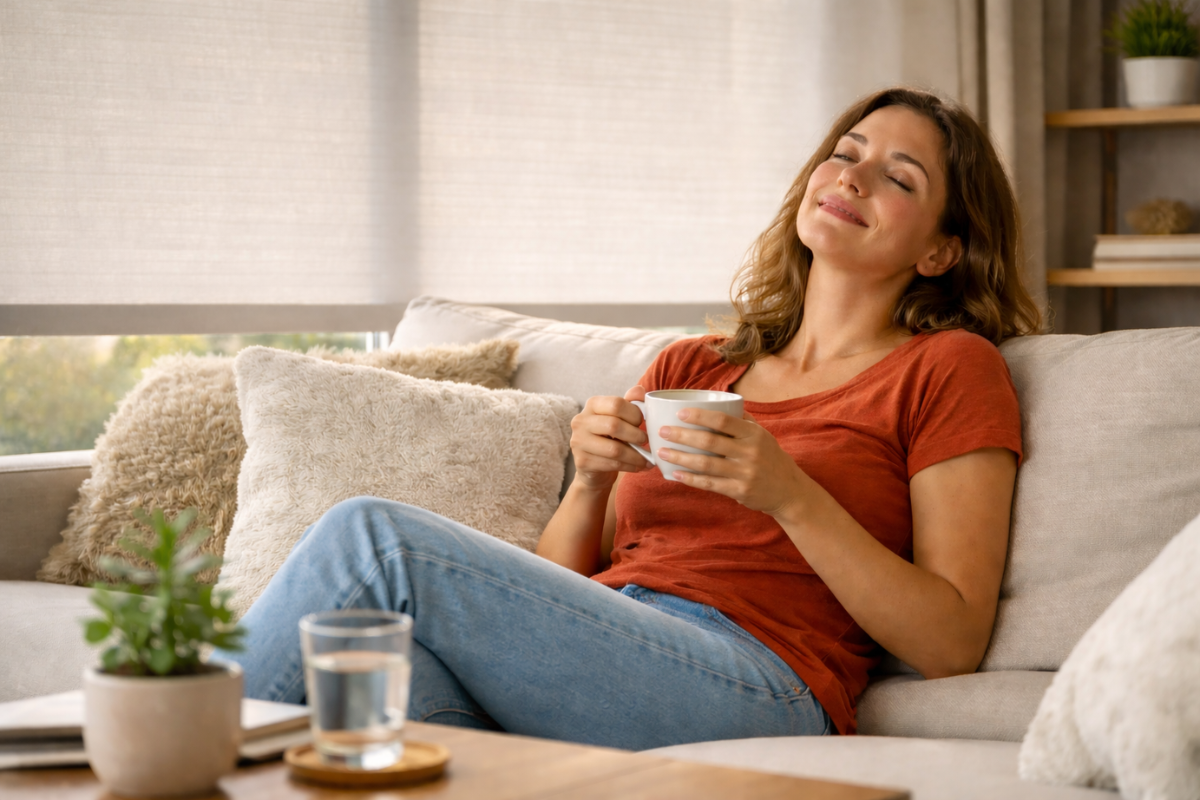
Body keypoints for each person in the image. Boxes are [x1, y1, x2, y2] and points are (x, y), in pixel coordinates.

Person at [226, 87, 1042, 749]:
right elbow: (571, 575)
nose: (854, 178)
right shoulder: (695, 367)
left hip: (757, 681)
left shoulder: (947, 368)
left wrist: (791, 495)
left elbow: (951, 642)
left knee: (376, 540)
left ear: (940, 252)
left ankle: (165, 753)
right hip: (614, 646)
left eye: (900, 178)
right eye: (846, 152)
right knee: (363, 674)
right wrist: (589, 481)